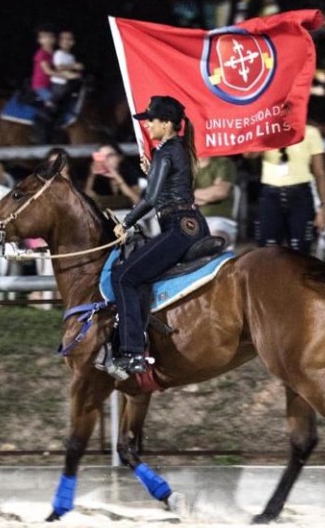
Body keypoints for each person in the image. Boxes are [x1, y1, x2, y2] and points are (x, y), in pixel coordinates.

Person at [107, 96, 210, 380]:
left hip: (178, 228)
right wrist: (152, 170)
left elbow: (151, 198)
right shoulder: (175, 150)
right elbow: (171, 186)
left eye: (151, 120)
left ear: (165, 124)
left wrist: (126, 222)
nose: (147, 125)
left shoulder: (166, 152)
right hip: (192, 224)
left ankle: (132, 352)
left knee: (123, 276)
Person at [247, 124, 325, 254]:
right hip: (270, 193)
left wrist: (322, 208)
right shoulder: (264, 129)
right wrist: (266, 134)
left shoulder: (310, 132)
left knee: (300, 250)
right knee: (267, 249)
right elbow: (248, 154)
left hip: (300, 194)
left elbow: (320, 172)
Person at [194, 156, 239, 248]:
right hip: (189, 221)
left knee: (215, 242)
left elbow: (220, 192)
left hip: (219, 220)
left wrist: (192, 195)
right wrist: (208, 195)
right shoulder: (184, 165)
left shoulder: (223, 163)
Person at [84, 142, 141, 210]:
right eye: (101, 157)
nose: (106, 160)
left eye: (110, 155)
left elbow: (137, 201)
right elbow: (86, 202)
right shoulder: (98, 178)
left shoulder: (129, 172)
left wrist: (117, 177)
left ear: (120, 157)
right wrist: (91, 176)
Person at [49, 29, 84, 112]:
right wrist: (73, 69)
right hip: (58, 84)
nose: (66, 41)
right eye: (63, 39)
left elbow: (75, 69)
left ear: (73, 42)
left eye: (69, 39)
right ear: (59, 42)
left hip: (68, 84)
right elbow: (60, 68)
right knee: (56, 106)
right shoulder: (58, 53)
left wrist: (77, 71)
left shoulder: (71, 57)